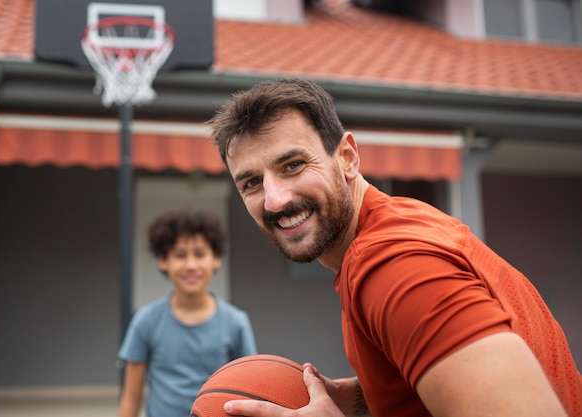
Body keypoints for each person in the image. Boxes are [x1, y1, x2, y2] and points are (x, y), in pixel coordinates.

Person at [208, 78, 582, 417]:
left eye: (292, 165)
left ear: (347, 158)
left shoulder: (393, 267)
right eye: (252, 183)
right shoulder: (396, 223)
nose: (274, 200)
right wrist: (362, 399)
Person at [117, 207, 257, 417]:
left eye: (200, 254)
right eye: (180, 255)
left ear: (216, 259)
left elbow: (249, 392)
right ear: (163, 261)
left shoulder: (236, 322)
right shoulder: (146, 321)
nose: (191, 265)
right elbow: (131, 397)